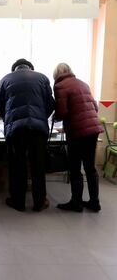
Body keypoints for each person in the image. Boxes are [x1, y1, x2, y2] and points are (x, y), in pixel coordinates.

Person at [0, 59, 55, 212]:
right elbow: (50, 104)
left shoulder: (6, 79)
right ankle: (39, 202)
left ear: (14, 69)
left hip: (16, 130)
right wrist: (40, 117)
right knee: (38, 165)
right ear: (31, 68)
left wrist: (8, 119)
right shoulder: (42, 78)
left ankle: (18, 202)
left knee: (17, 165)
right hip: (38, 130)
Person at [53, 63, 103, 212]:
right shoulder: (83, 84)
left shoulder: (60, 86)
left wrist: (55, 117)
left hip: (77, 133)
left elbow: (62, 112)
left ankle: (76, 203)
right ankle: (94, 202)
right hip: (92, 129)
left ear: (56, 74)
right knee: (90, 167)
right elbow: (94, 107)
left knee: (75, 167)